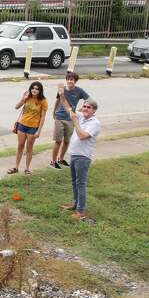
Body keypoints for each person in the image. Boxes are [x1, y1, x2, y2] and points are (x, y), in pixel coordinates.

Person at [57, 90, 101, 220]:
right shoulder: (80, 116)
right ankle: (75, 204)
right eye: (85, 106)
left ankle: (81, 211)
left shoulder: (95, 123)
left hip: (83, 157)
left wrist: (75, 122)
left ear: (94, 111)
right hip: (74, 155)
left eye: (89, 107)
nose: (86, 108)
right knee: (74, 182)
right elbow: (67, 107)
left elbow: (82, 136)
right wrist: (61, 95)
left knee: (80, 183)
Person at [49, 72, 90, 170]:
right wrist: (54, 111)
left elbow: (88, 99)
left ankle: (61, 159)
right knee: (58, 141)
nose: (69, 81)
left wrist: (81, 110)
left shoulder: (79, 91)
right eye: (68, 79)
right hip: (60, 117)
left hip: (71, 119)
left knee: (67, 141)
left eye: (72, 80)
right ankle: (53, 161)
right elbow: (58, 100)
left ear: (75, 81)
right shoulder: (62, 90)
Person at [8, 81, 48, 176]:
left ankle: (27, 168)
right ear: (30, 89)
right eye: (33, 88)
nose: (34, 90)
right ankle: (16, 167)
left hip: (33, 127)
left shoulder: (43, 101)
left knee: (29, 148)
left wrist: (39, 131)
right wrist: (23, 99)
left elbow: (43, 117)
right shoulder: (27, 96)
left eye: (37, 89)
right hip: (22, 125)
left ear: (40, 91)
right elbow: (16, 107)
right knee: (20, 145)